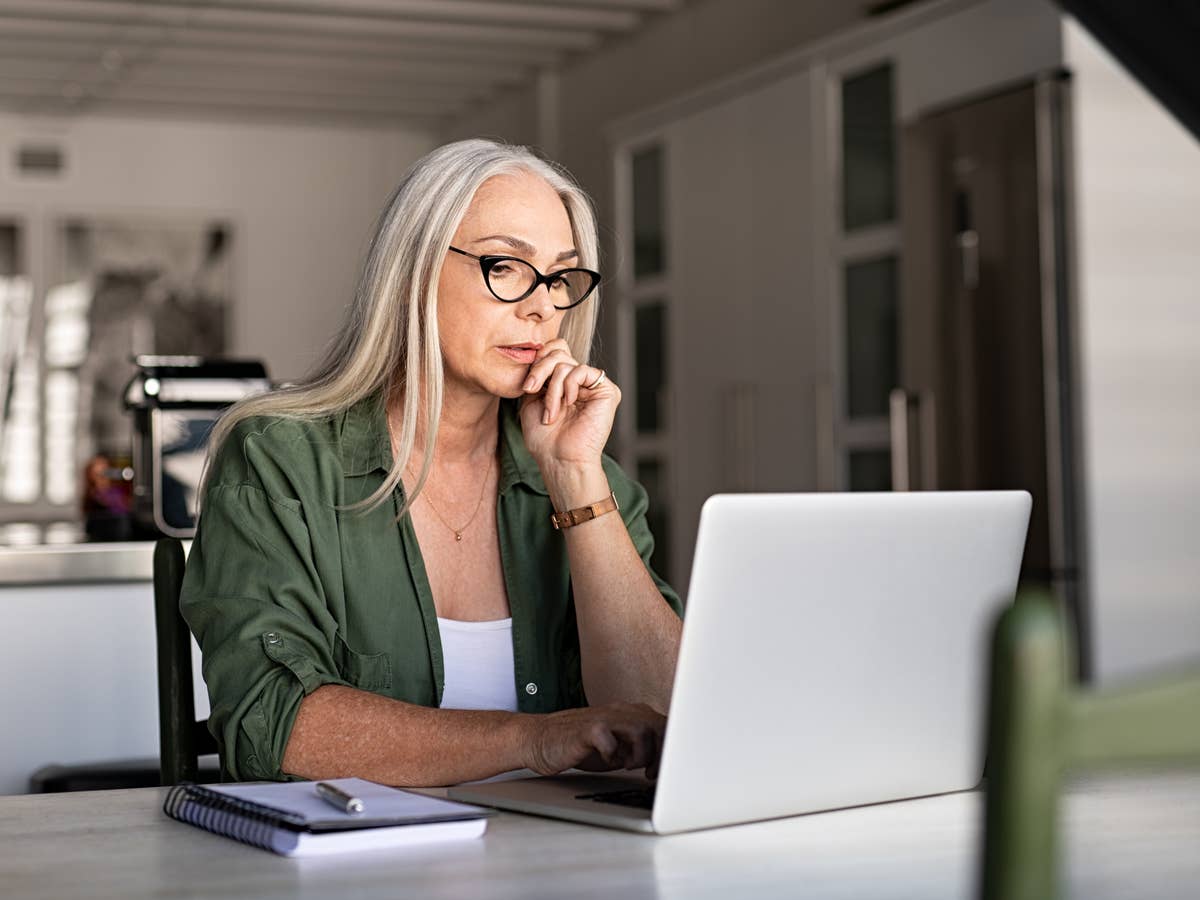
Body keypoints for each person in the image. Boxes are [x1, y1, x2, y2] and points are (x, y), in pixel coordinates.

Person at [181, 139, 683, 787]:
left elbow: (670, 720)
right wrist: (535, 739)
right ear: (414, 270)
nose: (543, 306)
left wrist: (575, 481)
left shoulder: (590, 481)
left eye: (560, 277)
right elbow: (272, 724)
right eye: (505, 265)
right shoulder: (282, 459)